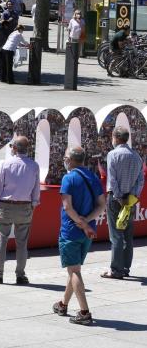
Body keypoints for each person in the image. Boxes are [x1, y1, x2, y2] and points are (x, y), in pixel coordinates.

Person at [53, 146, 105, 325]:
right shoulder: (93, 177)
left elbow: (67, 206)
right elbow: (101, 205)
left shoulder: (69, 178)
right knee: (74, 268)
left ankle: (84, 312)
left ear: (71, 160)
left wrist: (80, 222)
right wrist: (87, 221)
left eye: (66, 157)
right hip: (87, 232)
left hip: (71, 231)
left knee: (74, 271)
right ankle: (63, 304)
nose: (64, 160)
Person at [0, 136, 40, 285]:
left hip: (6, 205)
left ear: (14, 148)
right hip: (25, 206)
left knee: (2, 240)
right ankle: (20, 275)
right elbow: (36, 190)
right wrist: (33, 205)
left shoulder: (6, 164)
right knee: (22, 243)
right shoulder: (34, 166)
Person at [102, 126, 144, 279]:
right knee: (127, 234)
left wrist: (119, 197)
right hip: (130, 200)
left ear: (116, 137)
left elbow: (112, 179)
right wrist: (132, 196)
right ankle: (125, 267)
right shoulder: (136, 156)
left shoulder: (113, 155)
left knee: (116, 235)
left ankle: (116, 269)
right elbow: (140, 180)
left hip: (115, 198)